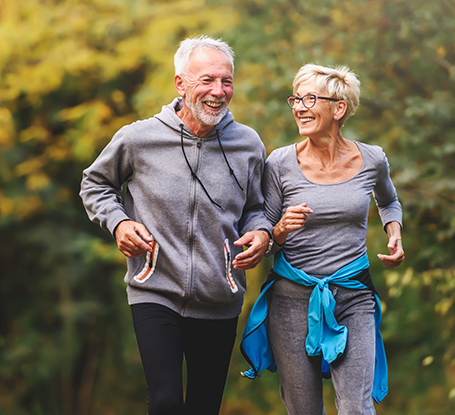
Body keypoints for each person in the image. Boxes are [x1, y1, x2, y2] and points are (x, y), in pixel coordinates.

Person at [80, 36, 271, 415]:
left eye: (227, 81)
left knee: (204, 406)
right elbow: (95, 184)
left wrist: (262, 232)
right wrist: (119, 224)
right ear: (180, 84)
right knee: (166, 401)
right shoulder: (139, 138)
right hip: (155, 290)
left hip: (220, 297)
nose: (219, 91)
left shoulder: (248, 144)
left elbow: (258, 206)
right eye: (207, 80)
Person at [240, 64, 405, 415]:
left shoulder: (372, 159)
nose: (299, 108)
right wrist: (281, 229)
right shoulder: (279, 163)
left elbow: (388, 201)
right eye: (296, 100)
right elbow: (266, 234)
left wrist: (394, 233)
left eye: (310, 99)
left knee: (356, 408)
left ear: (339, 108)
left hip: (353, 296)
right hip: (291, 300)